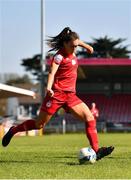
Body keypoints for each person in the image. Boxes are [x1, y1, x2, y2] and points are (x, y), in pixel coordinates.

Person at [2, 27, 114, 161]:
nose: (74, 49)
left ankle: (97, 151)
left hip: (71, 96)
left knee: (89, 118)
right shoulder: (59, 56)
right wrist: (48, 88)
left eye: (75, 46)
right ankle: (13, 130)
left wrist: (86, 46)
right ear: (65, 44)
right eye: (72, 46)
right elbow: (51, 73)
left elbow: (83, 45)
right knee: (39, 125)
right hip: (56, 95)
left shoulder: (73, 49)